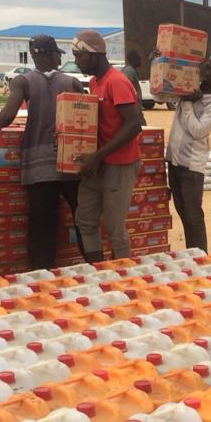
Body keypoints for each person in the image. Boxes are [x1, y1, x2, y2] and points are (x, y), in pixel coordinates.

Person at [0, 35, 86, 268]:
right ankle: (90, 263)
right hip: (71, 163)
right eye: (57, 53)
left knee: (42, 221)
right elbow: (87, 115)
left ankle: (41, 269)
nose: (59, 57)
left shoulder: (23, 82)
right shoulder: (72, 83)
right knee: (82, 218)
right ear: (45, 53)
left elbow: (6, 117)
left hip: (38, 166)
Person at [70, 29, 142, 263]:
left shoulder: (117, 82)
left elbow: (133, 125)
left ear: (94, 55)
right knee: (86, 220)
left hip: (119, 164)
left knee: (114, 228)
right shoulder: (94, 82)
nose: (76, 62)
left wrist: (98, 156)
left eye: (79, 56)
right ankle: (97, 271)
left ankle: (120, 277)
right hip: (97, 163)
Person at [167, 58, 211, 253]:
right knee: (183, 213)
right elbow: (160, 94)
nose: (207, 73)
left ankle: (201, 257)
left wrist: (186, 104)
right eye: (205, 68)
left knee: (193, 216)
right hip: (175, 161)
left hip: (191, 167)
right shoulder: (191, 91)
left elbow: (198, 131)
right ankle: (191, 255)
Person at [122, 49, 146, 126]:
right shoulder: (129, 71)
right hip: (134, 112)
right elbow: (124, 86)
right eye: (139, 58)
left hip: (137, 111)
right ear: (134, 59)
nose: (141, 60)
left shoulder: (131, 70)